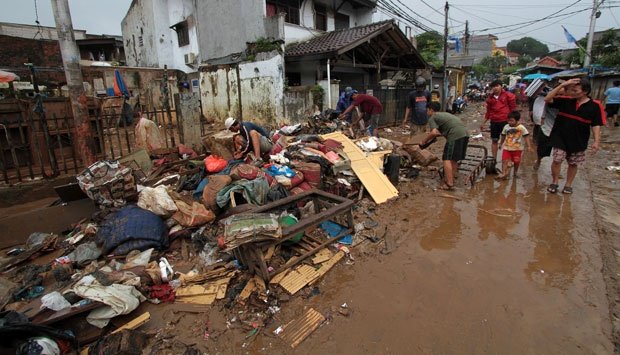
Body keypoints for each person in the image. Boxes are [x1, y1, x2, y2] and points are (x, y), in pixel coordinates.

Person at [544, 77, 604, 194]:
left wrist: (597, 141)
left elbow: (596, 125)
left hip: (579, 139)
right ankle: (555, 181)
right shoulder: (566, 100)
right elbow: (547, 99)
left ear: (585, 91)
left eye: (575, 90)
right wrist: (563, 85)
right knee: (557, 159)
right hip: (560, 136)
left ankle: (568, 184)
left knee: (573, 163)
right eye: (571, 90)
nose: (572, 93)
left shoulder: (595, 106)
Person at [419, 101, 469, 190]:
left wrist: (424, 141)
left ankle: (449, 183)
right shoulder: (444, 114)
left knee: (446, 159)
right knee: (454, 159)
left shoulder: (432, 117)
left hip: (455, 134)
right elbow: (440, 131)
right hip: (464, 133)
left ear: (430, 110)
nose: (427, 112)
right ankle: (451, 179)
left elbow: (434, 132)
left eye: (427, 110)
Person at [481, 79, 516, 165]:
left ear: (501, 86)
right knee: (494, 140)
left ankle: (509, 160)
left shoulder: (508, 96)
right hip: (494, 122)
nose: (495, 88)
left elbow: (513, 109)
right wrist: (483, 123)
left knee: (510, 140)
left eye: (497, 86)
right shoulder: (490, 98)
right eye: (493, 86)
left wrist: (514, 122)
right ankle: (494, 159)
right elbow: (488, 112)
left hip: (506, 122)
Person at [496, 111, 534, 180]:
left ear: (517, 120)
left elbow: (526, 136)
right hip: (507, 147)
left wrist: (529, 146)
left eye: (512, 121)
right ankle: (504, 173)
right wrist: (501, 143)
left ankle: (515, 173)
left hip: (517, 148)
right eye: (508, 120)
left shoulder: (521, 128)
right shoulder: (506, 127)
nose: (509, 122)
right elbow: (503, 136)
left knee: (516, 161)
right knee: (504, 160)